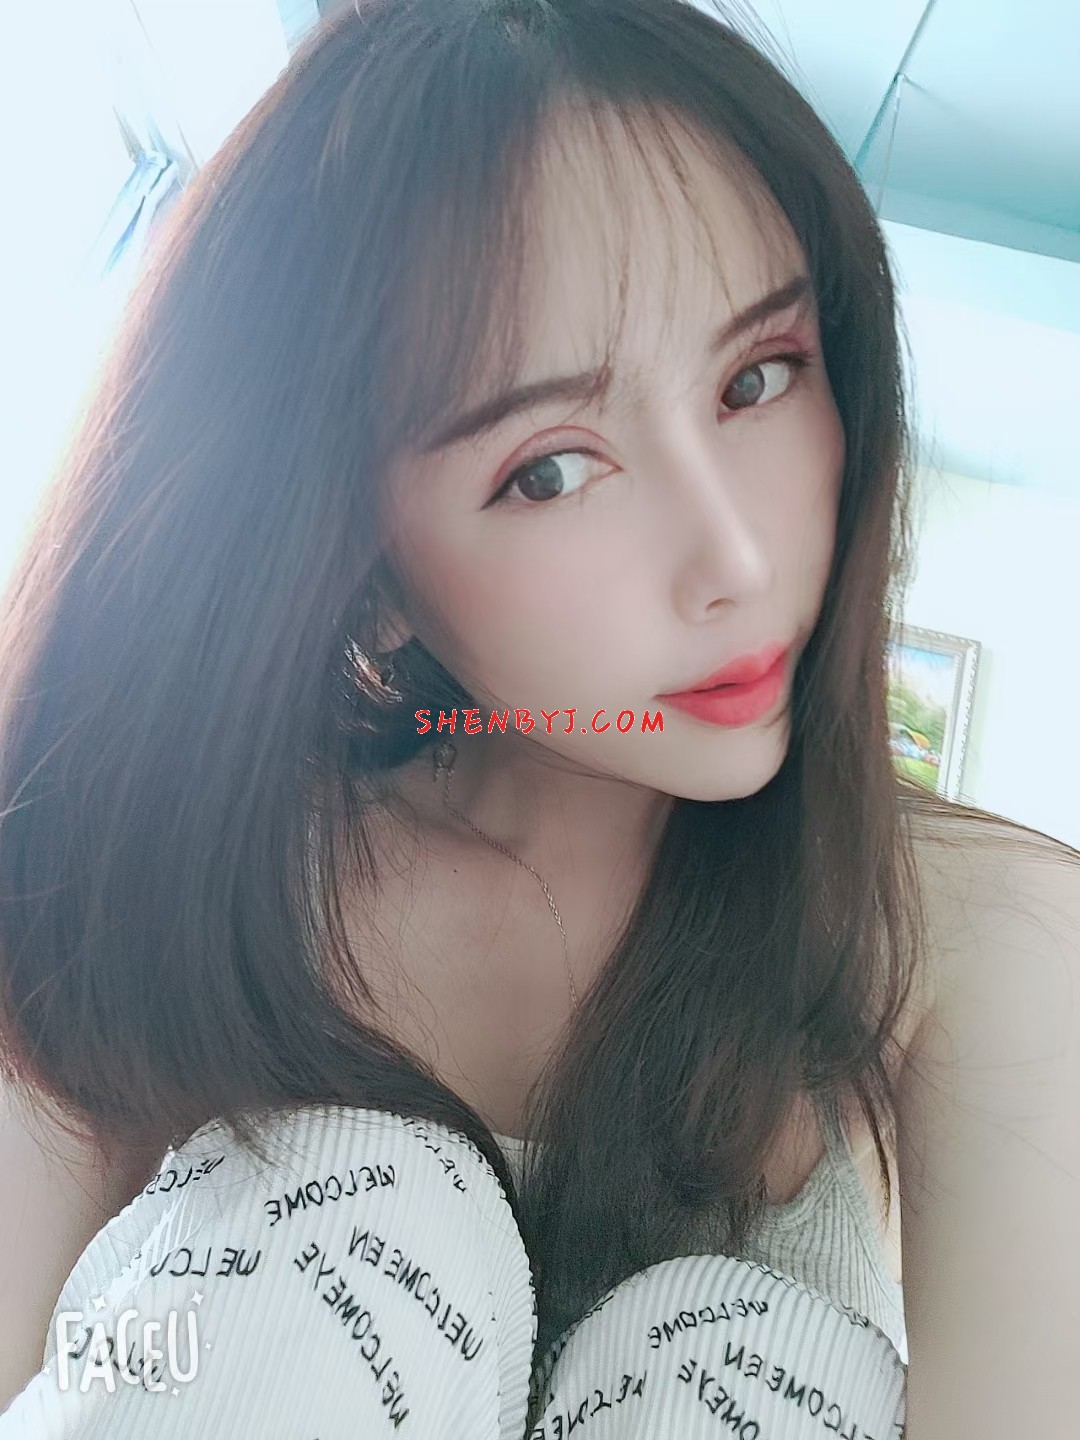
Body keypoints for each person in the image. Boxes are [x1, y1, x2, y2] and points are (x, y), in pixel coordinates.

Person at [0, 0, 1076, 1434]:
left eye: (757, 377)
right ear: (363, 568)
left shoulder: (980, 936)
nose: (736, 561)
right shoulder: (161, 871)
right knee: (336, 1246)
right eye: (550, 470)